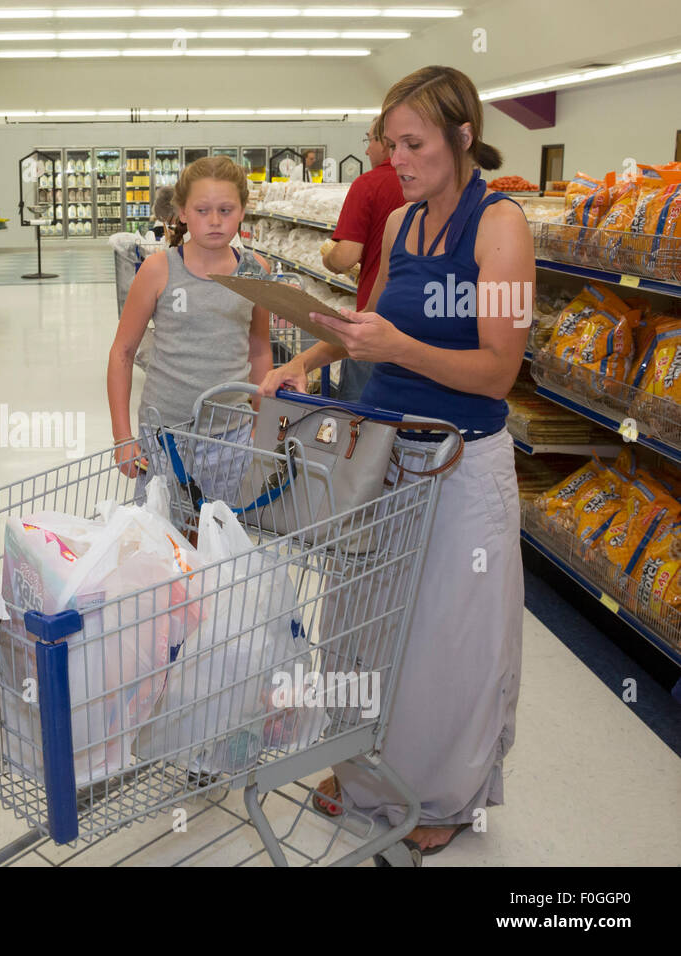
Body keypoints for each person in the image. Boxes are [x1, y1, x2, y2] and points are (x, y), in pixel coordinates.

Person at [261, 64, 530, 856]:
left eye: (412, 145)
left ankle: (441, 794)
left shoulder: (501, 225)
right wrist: (306, 359)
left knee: (449, 637)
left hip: (460, 464)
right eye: (389, 145)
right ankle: (361, 760)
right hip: (381, 455)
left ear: (462, 136)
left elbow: (497, 370)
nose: (397, 162)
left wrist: (402, 347)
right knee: (361, 617)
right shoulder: (400, 225)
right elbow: (370, 321)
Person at [108, 155, 273, 497]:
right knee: (160, 538)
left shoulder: (256, 270)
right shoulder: (158, 270)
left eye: (226, 210)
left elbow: (258, 348)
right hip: (164, 434)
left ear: (243, 211)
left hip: (233, 433)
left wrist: (263, 423)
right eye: (202, 210)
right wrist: (123, 437)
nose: (215, 221)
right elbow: (122, 353)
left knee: (221, 539)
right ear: (182, 212)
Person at [321, 116, 405, 400]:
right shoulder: (426, 195)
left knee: (360, 415)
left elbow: (346, 257)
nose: (367, 150)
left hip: (374, 322)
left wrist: (328, 260)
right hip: (410, 323)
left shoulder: (368, 184)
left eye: (370, 139)